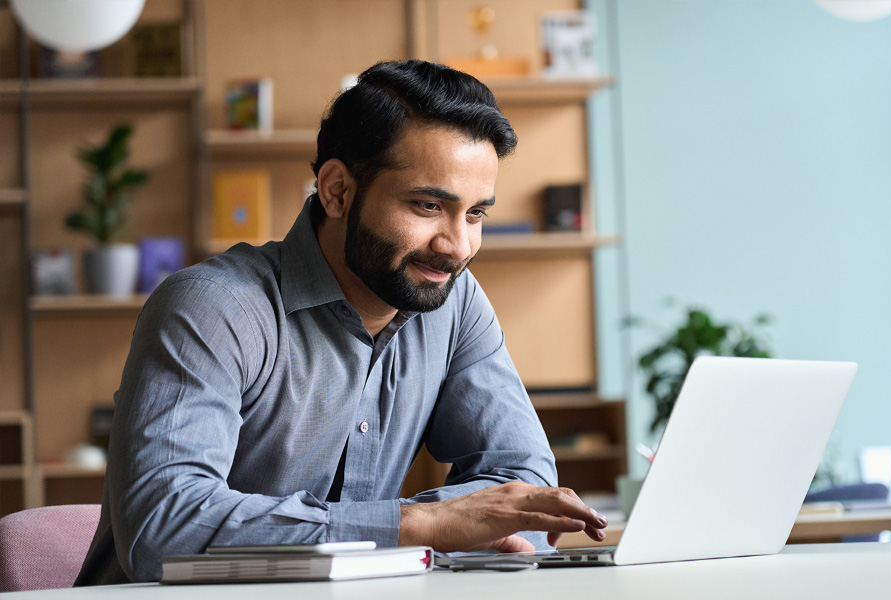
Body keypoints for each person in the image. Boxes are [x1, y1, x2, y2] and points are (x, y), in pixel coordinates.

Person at [76, 60, 607, 585]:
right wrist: (421, 525)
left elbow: (526, 483)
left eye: (475, 214)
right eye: (427, 206)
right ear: (336, 191)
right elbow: (163, 530)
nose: (457, 247)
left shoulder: (455, 302)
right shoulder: (212, 308)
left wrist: (451, 525)